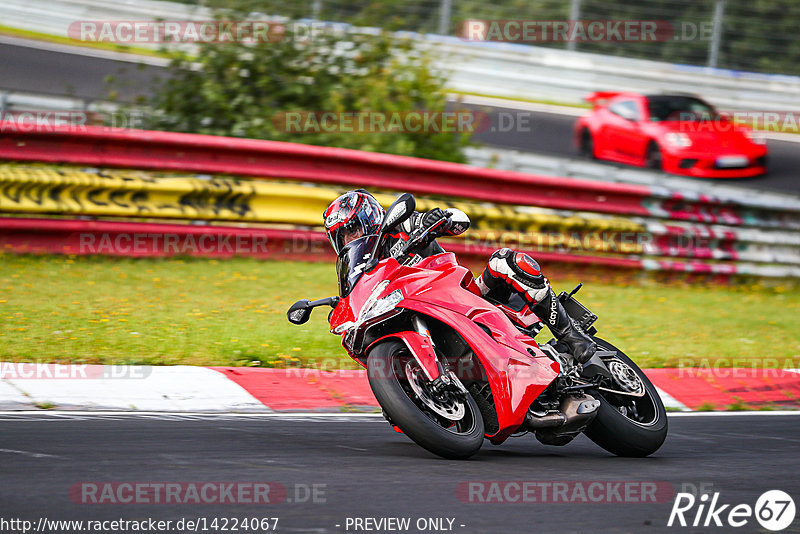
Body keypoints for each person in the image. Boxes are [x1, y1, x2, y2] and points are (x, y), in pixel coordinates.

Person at [323, 190, 596, 364]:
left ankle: (571, 335)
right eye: (342, 236)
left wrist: (438, 220)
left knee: (504, 261)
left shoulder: (400, 227)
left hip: (465, 299)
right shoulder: (361, 268)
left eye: (352, 230)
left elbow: (460, 220)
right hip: (420, 311)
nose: (350, 239)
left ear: (369, 217)